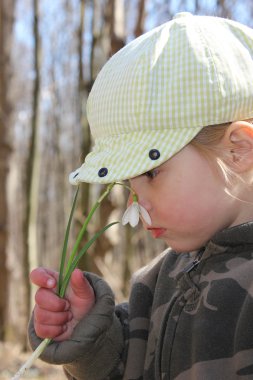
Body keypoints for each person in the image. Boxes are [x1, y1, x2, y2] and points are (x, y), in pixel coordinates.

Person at [29, 12, 253, 380]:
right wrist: (91, 337)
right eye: (130, 183)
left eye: (152, 172)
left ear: (238, 151)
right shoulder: (155, 280)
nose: (137, 203)